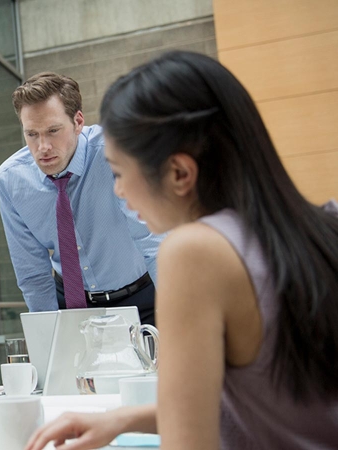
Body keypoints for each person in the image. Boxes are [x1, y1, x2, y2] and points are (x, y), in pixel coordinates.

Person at [26, 51, 338, 450]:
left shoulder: (195, 252)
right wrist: (124, 418)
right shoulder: (323, 224)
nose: (118, 190)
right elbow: (279, 400)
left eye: (120, 172)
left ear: (179, 173)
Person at [0, 72, 162, 324]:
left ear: (78, 121)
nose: (43, 147)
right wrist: (49, 338)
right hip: (71, 306)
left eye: (53, 131)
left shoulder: (115, 152)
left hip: (141, 299)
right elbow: (32, 273)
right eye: (32, 134)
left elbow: (153, 243)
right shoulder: (12, 180)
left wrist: (183, 313)